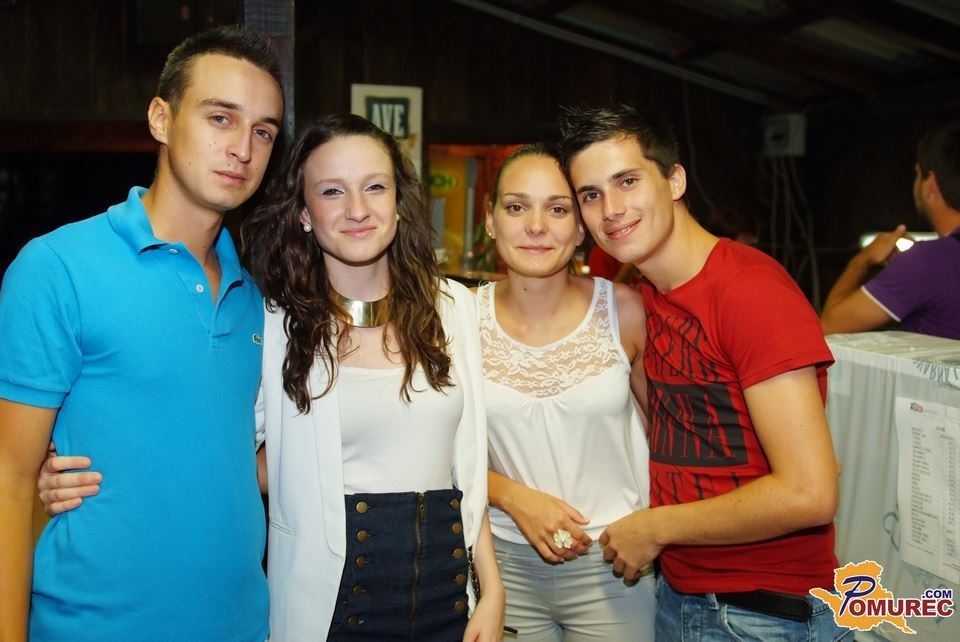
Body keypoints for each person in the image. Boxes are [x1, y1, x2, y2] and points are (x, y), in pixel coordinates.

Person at [0, 25, 284, 642]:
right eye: (220, 118)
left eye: (263, 131)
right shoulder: (57, 268)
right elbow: (9, 483)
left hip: (242, 628)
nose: (243, 148)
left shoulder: (261, 298)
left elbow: (237, 456)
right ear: (161, 118)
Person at [558, 105, 849, 642]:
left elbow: (810, 493)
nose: (611, 209)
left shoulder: (749, 291)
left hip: (765, 614)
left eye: (627, 181)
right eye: (591, 195)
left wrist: (656, 528)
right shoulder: (647, 299)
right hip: (685, 597)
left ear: (675, 180)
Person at [241, 113, 504, 640]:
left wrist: (493, 590)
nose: (358, 209)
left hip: (448, 597)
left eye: (375, 187)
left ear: (399, 201)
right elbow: (226, 458)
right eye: (332, 191)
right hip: (332, 606)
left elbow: (468, 469)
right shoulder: (273, 325)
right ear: (304, 213)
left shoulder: (454, 308)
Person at [480, 143, 655, 641]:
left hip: (617, 566)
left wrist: (658, 528)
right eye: (516, 207)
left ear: (580, 228)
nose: (536, 226)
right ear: (491, 221)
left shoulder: (626, 310)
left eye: (557, 209)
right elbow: (436, 452)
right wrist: (513, 496)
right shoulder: (458, 318)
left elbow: (670, 434)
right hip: (504, 565)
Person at [821, 121, 960, 340]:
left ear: (930, 185)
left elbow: (830, 327)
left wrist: (862, 260)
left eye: (917, 174)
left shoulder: (928, 260)